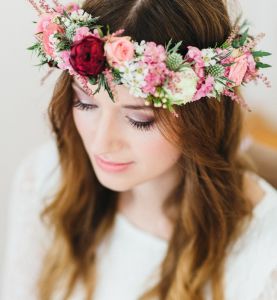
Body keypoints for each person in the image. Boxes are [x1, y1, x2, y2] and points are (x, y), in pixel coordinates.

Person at [1, 0, 277, 299]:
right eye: (85, 102)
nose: (101, 142)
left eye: (139, 119)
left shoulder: (263, 259)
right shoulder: (43, 180)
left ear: (201, 117)